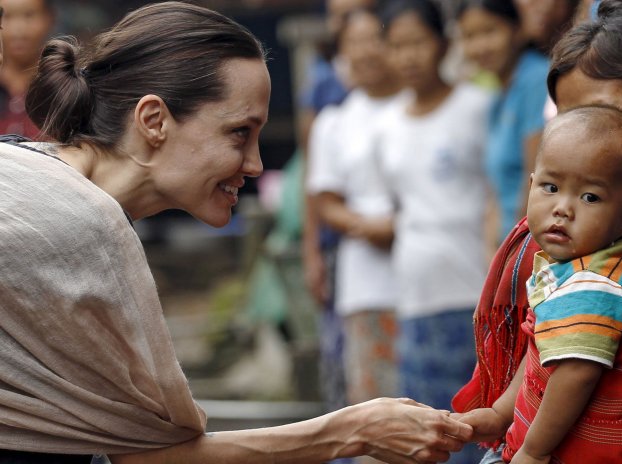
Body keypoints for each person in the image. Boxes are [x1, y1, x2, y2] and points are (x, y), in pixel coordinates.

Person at [0, 2, 475, 463]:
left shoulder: (35, 176)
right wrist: (350, 431)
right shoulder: (78, 221)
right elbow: (148, 456)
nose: (255, 165)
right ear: (154, 121)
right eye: (239, 134)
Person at [451, 0, 622, 462]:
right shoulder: (553, 242)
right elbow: (546, 350)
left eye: (607, 117)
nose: (585, 144)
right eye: (569, 122)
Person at [463, 105, 622, 463]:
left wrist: (535, 452)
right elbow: (545, 346)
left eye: (590, 197)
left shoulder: (592, 284)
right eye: (551, 188)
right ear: (532, 183)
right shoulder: (573, 270)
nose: (562, 209)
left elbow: (575, 374)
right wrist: (501, 413)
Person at [376, 0, 492, 462]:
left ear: (443, 43)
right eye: (397, 46)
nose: (408, 57)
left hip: (474, 291)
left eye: (417, 43)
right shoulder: (387, 125)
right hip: (415, 296)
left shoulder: (477, 106)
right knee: (426, 436)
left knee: (477, 426)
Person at [306, 7, 402, 424]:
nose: (365, 52)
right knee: (375, 407)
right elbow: (324, 200)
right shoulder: (335, 122)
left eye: (373, 39)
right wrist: (367, 226)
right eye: (353, 43)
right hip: (365, 278)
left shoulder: (421, 107)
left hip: (431, 274)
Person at [457, 0, 549, 244]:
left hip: (531, 244)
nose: (479, 46)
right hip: (509, 244)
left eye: (489, 31)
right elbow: (495, 190)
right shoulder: (498, 96)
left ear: (516, 30)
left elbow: (535, 179)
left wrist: (514, 252)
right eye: (469, 36)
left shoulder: (536, 80)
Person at [0, 0, 54, 138]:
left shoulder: (62, 83)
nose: (19, 30)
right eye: (6, 16)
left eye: (29, 15)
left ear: (49, 18)